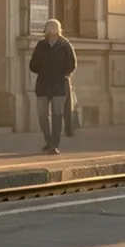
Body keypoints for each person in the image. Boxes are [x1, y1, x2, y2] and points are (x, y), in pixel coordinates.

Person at [29, 19, 77, 154]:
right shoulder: (41, 45)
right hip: (43, 85)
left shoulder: (64, 45)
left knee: (57, 115)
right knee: (42, 115)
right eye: (47, 29)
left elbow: (72, 64)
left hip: (59, 86)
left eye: (51, 29)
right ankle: (48, 140)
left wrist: (63, 74)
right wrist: (42, 67)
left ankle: (54, 144)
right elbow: (32, 65)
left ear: (57, 30)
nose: (49, 32)